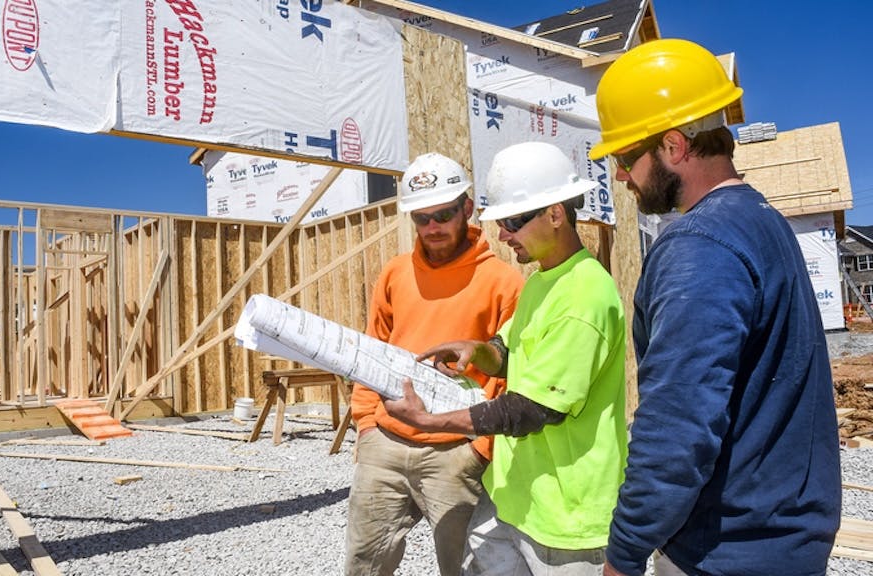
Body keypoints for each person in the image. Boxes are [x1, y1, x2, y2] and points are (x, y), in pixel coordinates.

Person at [586, 38, 841, 576]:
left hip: (724, 551)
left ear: (673, 147)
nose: (619, 175)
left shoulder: (698, 245)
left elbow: (677, 424)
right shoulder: (761, 221)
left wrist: (625, 552)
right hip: (781, 539)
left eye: (624, 157)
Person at [384, 141, 628, 576]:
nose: (502, 235)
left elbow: (531, 410)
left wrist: (429, 422)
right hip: (516, 499)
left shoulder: (585, 295)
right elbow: (509, 352)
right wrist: (476, 350)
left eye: (513, 221)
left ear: (555, 213)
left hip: (566, 519)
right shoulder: (543, 280)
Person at [344, 152, 525, 576]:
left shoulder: (504, 281)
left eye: (443, 214)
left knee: (463, 567)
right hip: (385, 444)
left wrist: (479, 449)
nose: (432, 227)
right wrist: (366, 423)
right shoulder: (394, 273)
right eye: (421, 218)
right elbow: (374, 348)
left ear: (467, 208)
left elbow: (510, 372)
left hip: (455, 452)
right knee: (363, 564)